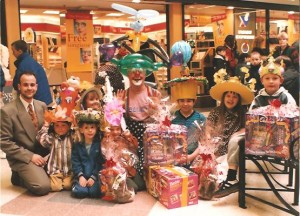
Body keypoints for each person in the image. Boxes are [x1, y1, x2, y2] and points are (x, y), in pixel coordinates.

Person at [112, 53, 163, 191]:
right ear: (127, 74)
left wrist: (156, 108)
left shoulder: (153, 93)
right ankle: (131, 179)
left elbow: (163, 121)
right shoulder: (124, 95)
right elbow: (115, 122)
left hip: (149, 141)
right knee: (138, 181)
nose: (137, 75)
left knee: (147, 178)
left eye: (140, 72)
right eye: (133, 72)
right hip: (130, 141)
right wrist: (119, 106)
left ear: (145, 73)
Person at [0, 71, 50, 196]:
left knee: (67, 176)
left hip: (42, 154)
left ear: (36, 87)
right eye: (25, 85)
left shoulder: (42, 106)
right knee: (42, 186)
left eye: (32, 85)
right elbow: (4, 141)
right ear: (19, 86)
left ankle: (36, 171)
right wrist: (30, 156)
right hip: (23, 156)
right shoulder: (7, 111)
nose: (29, 88)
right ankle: (17, 176)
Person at [207, 69, 255, 198]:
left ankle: (231, 181)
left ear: (239, 99)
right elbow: (208, 129)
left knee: (221, 174)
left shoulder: (242, 113)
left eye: (234, 96)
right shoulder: (216, 111)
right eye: (228, 95)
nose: (231, 99)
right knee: (206, 172)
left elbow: (249, 129)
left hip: (231, 153)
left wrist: (242, 130)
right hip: (215, 150)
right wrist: (209, 147)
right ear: (223, 97)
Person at [36, 105, 74, 192]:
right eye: (57, 125)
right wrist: (46, 125)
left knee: (68, 186)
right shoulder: (52, 138)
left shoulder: (71, 137)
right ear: (53, 127)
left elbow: (79, 135)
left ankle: (67, 180)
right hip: (55, 171)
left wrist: (75, 124)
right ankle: (53, 178)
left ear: (68, 126)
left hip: (69, 170)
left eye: (63, 125)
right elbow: (41, 139)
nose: (60, 128)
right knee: (55, 187)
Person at [171, 78, 206, 165]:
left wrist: (191, 157)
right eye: (182, 100)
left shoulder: (200, 118)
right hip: (175, 157)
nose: (185, 104)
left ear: (194, 101)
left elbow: (204, 142)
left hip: (195, 158)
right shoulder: (172, 118)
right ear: (177, 101)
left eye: (189, 100)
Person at [71, 109, 105, 198]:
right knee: (80, 192)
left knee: (95, 192)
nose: (90, 130)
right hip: (82, 175)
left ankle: (92, 186)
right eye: (86, 128)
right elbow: (75, 162)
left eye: (92, 127)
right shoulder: (77, 145)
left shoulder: (100, 144)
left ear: (96, 129)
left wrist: (94, 177)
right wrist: (80, 176)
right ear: (81, 130)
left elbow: (100, 162)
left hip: (95, 176)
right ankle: (76, 185)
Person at [11, 40, 52, 106]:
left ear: (20, 51)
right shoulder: (30, 61)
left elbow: (17, 84)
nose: (13, 53)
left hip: (37, 101)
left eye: (13, 51)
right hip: (44, 99)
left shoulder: (24, 64)